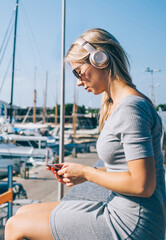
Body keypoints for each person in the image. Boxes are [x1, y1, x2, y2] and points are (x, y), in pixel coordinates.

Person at [5, 28, 166, 240]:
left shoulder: (130, 108)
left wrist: (87, 173)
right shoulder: (121, 104)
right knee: (22, 212)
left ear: (100, 59)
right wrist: (83, 173)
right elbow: (125, 166)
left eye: (78, 72)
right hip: (126, 208)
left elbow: (142, 185)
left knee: (16, 226)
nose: (79, 81)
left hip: (132, 221)